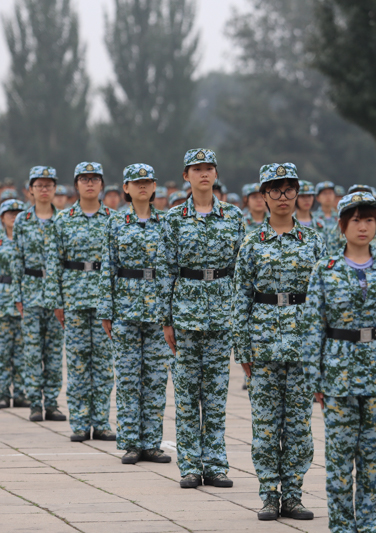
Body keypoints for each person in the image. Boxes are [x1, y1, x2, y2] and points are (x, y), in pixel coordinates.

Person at [303, 191, 376, 533]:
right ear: (343, 225)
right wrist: (314, 379)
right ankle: (343, 526)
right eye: (356, 220)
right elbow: (313, 327)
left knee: (375, 461)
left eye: (369, 220)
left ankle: (372, 525)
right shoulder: (325, 270)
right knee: (339, 461)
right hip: (338, 375)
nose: (363, 227)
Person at [232, 163, 324, 521]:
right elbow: (241, 296)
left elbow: (323, 298)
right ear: (263, 196)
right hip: (263, 344)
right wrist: (242, 348)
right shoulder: (251, 243)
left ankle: (294, 495)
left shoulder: (313, 241)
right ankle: (269, 495)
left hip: (302, 345)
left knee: (299, 426)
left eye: (288, 189)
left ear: (297, 193)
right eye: (274, 189)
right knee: (266, 426)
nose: (282, 197)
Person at [158, 148, 245, 489]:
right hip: (185, 314)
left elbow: (240, 270)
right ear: (186, 176)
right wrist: (166, 318)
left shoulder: (233, 216)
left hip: (222, 314)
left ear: (216, 173)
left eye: (209, 168)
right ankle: (191, 466)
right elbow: (165, 270)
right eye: (197, 169)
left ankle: (216, 464)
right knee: (186, 394)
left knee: (216, 394)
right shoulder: (173, 219)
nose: (204, 174)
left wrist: (239, 315)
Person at [97, 163, 172, 463]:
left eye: (147, 182)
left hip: (158, 309)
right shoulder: (115, 222)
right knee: (128, 378)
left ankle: (152, 443)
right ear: (126, 188)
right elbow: (108, 266)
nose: (143, 186)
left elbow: (172, 269)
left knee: (155, 379)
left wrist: (171, 310)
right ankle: (130, 442)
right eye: (136, 182)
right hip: (125, 307)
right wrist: (106, 309)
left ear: (154, 187)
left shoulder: (167, 222)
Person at [46, 162, 115, 441]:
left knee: (103, 364)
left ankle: (101, 422)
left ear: (102, 184)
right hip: (73, 298)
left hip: (104, 301)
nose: (89, 184)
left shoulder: (113, 219)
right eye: (84, 179)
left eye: (94, 179)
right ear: (76, 184)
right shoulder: (63, 220)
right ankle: (79, 422)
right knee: (77, 363)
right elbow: (53, 262)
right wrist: (56, 301)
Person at [12, 166, 66, 423]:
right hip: (31, 291)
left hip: (57, 295)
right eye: (39, 185)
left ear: (55, 189)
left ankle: (52, 403)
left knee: (54, 352)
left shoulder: (63, 219)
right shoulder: (22, 220)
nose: (44, 189)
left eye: (48, 185)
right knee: (32, 351)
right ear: (30, 190)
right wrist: (17, 295)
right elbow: (17, 259)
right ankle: (35, 403)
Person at [0, 199, 29, 409]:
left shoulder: (28, 242)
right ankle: (3, 393)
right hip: (2, 301)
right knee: (2, 351)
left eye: (18, 212)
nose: (13, 216)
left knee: (22, 352)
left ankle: (20, 393)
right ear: (1, 217)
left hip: (24, 302)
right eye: (9, 212)